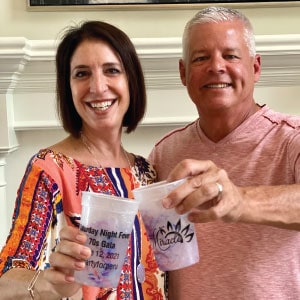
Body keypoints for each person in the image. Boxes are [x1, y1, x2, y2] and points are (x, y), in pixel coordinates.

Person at [0, 20, 166, 299]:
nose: (98, 87)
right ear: (69, 88)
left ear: (131, 81)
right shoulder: (50, 168)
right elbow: (6, 279)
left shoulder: (147, 172)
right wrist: (49, 282)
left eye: (112, 70)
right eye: (81, 74)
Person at [148, 6, 300, 300]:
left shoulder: (292, 138)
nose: (216, 67)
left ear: (255, 68)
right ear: (183, 73)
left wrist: (239, 200)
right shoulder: (164, 152)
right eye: (201, 57)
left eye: (230, 56)